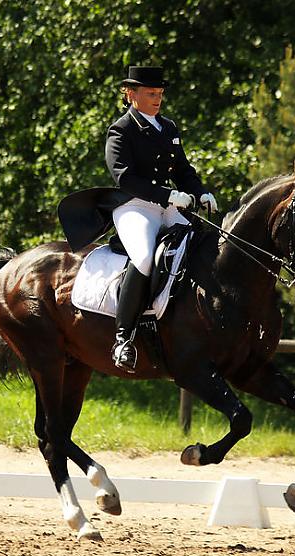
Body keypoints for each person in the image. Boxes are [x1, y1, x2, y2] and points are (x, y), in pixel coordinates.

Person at [105, 65, 217, 373]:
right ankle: (123, 338)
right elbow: (124, 177)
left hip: (169, 207)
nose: (158, 99)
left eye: (160, 94)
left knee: (204, 247)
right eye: (151, 94)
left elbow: (183, 170)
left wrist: (201, 192)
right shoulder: (121, 129)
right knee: (143, 259)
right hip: (135, 207)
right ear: (131, 94)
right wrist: (167, 195)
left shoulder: (168, 128)